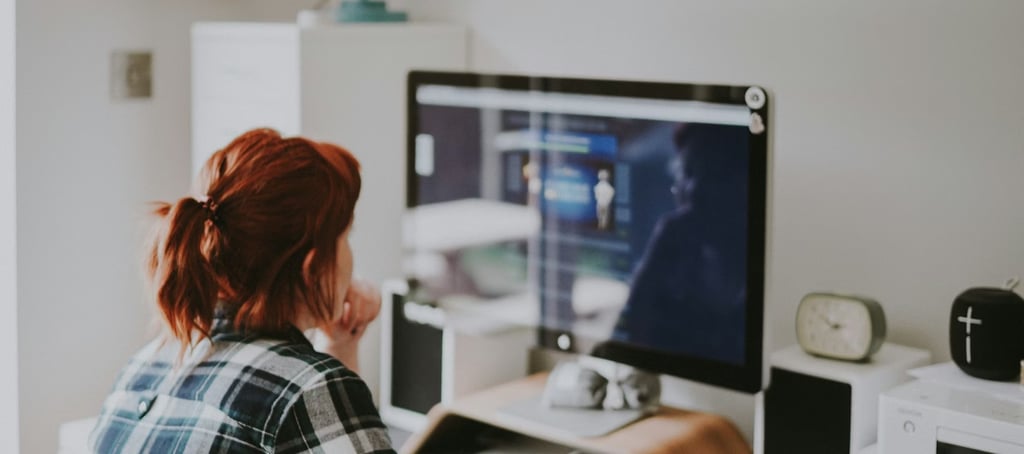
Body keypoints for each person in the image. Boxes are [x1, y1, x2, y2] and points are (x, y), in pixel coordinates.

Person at [89, 129, 394, 453]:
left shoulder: (141, 369)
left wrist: (340, 341)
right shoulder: (308, 389)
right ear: (314, 267)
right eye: (346, 236)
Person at [609, 123, 749, 364]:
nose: (695, 189)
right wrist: (655, 262)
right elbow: (624, 341)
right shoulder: (673, 249)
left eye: (713, 174)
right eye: (688, 173)